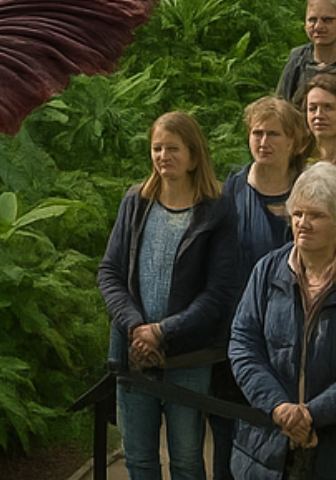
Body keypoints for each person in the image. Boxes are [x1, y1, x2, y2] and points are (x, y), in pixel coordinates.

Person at [229, 164, 336, 480]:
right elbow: (243, 343)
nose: (303, 223)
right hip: (267, 445)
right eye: (297, 214)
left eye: (316, 215)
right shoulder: (268, 271)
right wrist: (279, 407)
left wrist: (314, 413)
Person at [99, 113, 239, 480]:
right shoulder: (135, 202)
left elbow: (218, 292)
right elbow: (109, 273)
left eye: (173, 149)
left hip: (189, 358)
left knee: (188, 460)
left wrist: (163, 331)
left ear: (194, 156)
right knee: (140, 459)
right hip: (133, 355)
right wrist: (136, 328)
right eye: (157, 148)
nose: (164, 156)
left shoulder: (217, 210)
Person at [213, 97, 316, 480]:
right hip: (242, 336)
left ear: (295, 141)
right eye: (257, 132)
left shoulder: (311, 190)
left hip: (301, 340)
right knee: (231, 433)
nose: (264, 140)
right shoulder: (232, 192)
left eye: (274, 133)